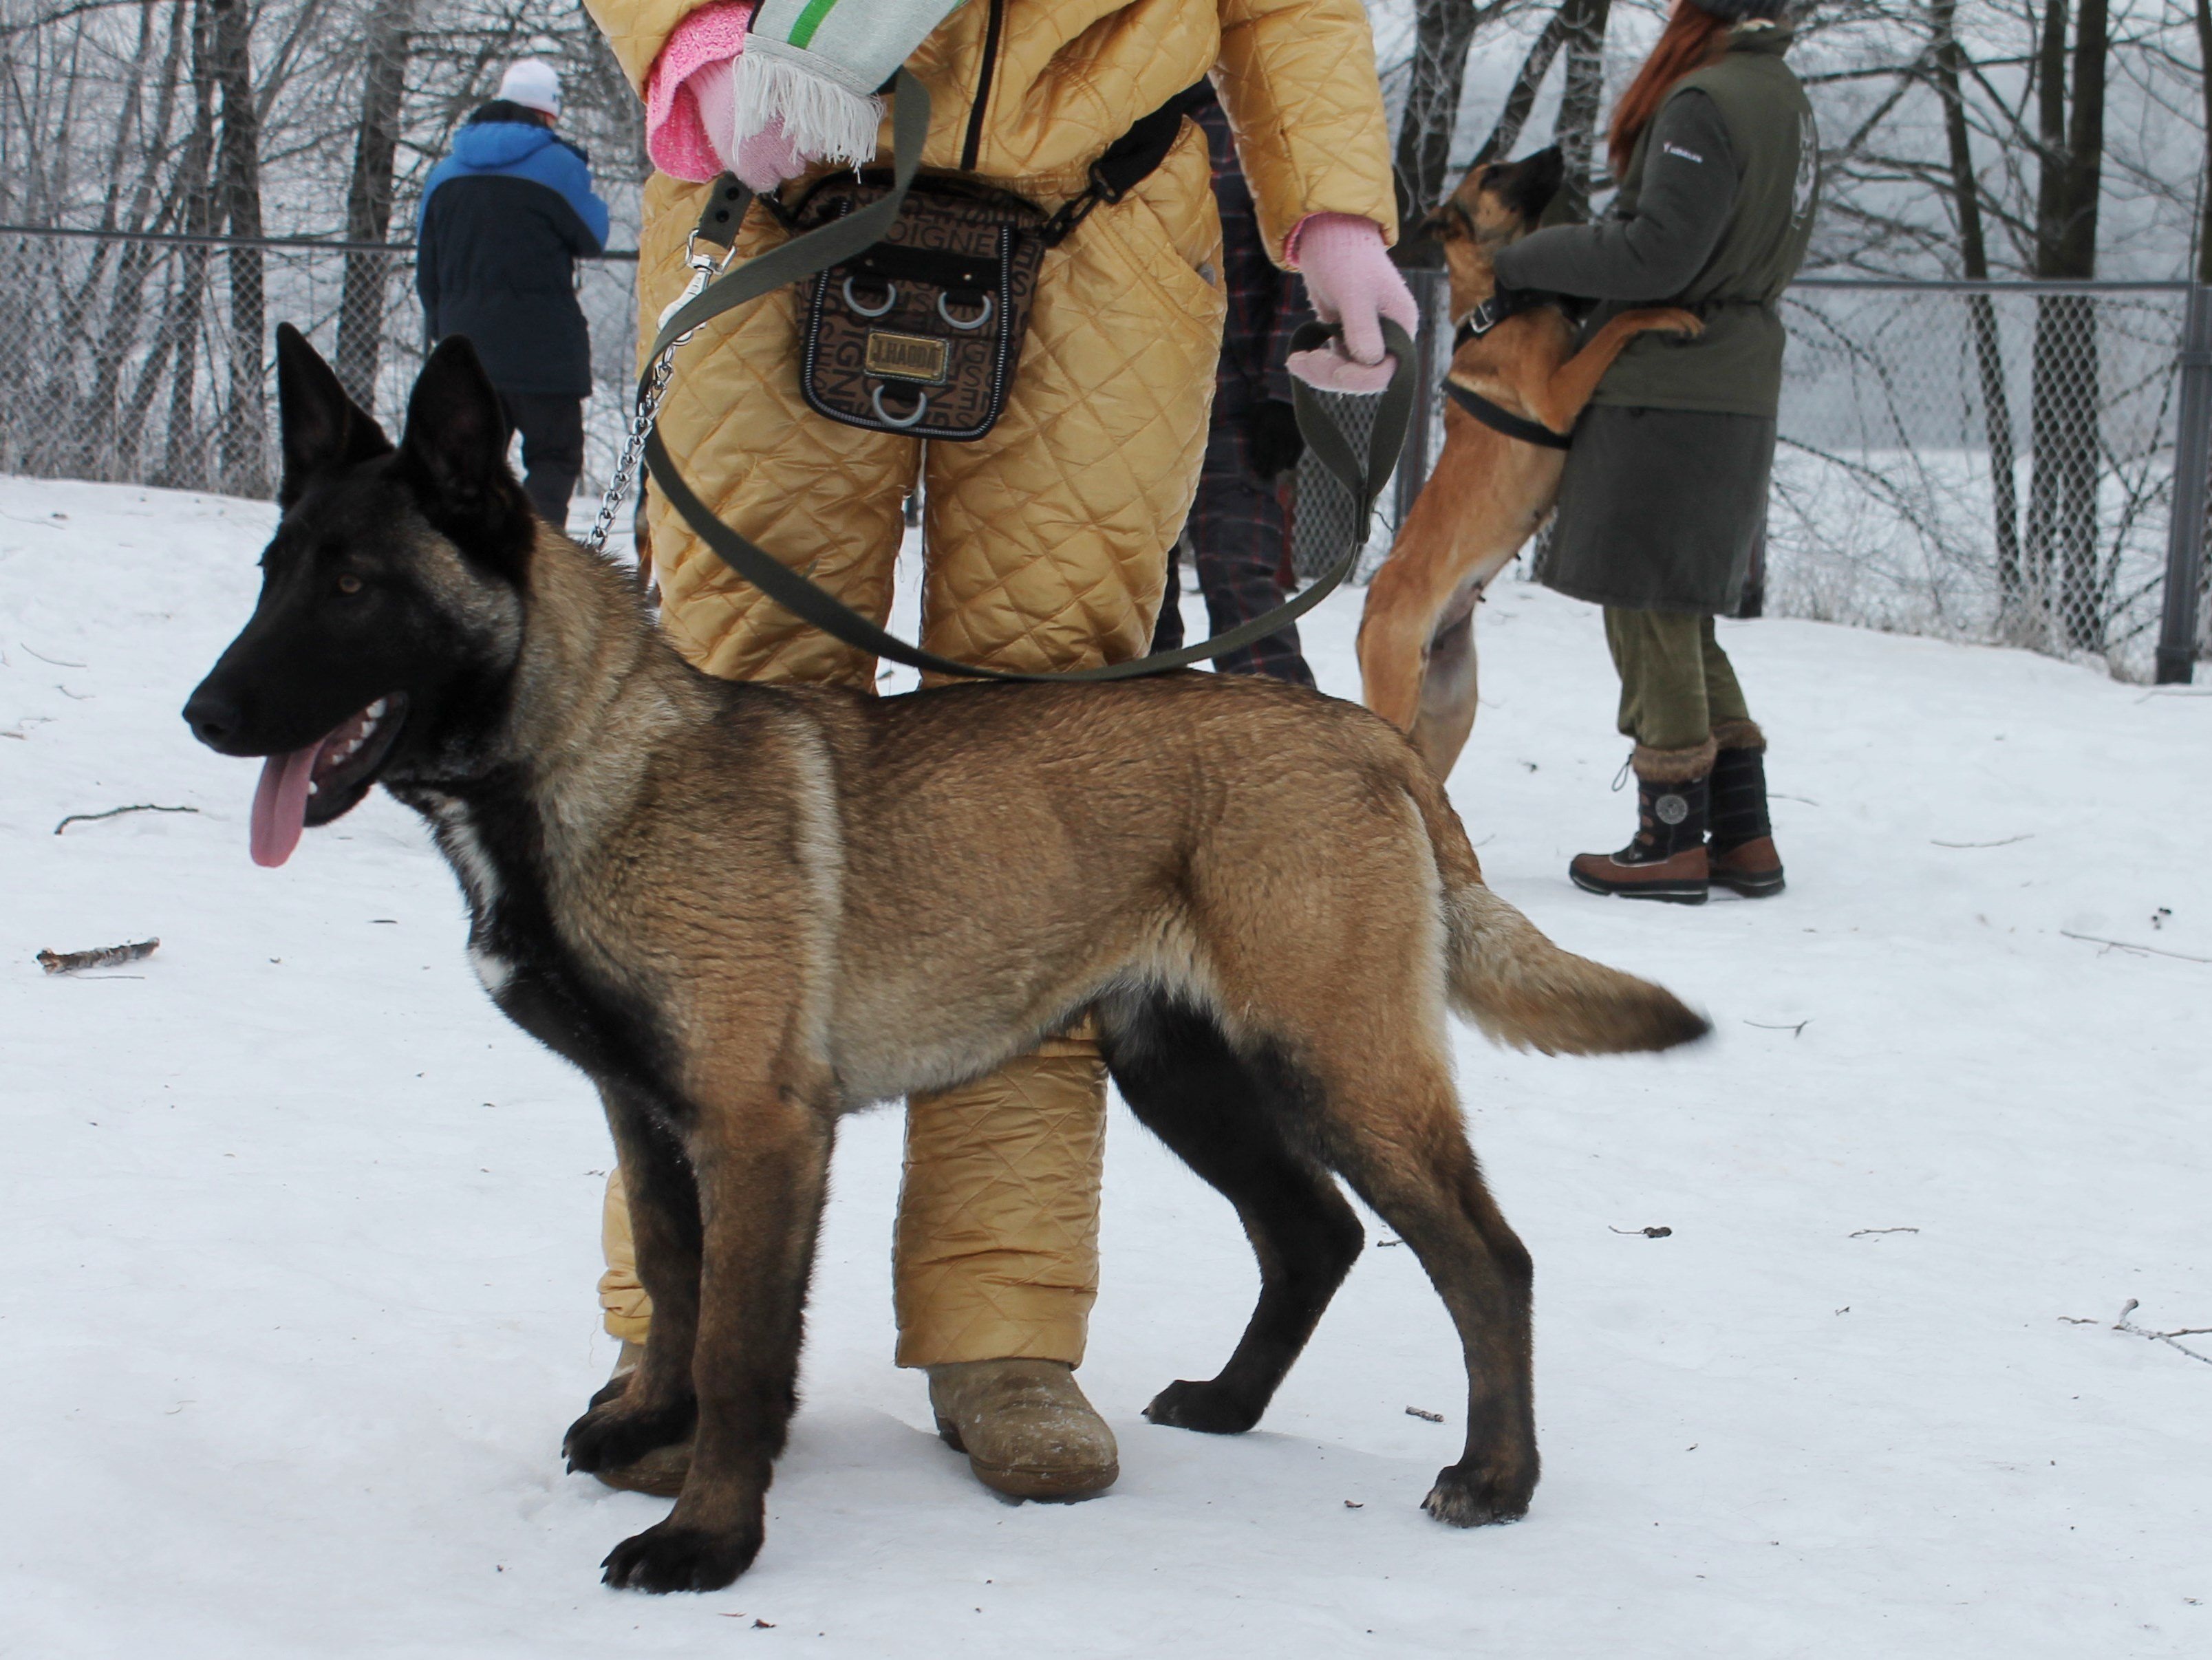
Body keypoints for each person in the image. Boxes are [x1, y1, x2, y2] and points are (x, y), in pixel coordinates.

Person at [579, 0, 1415, 1501]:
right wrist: (689, 41)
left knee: (1049, 808)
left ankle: (1004, 1324)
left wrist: (1333, 200)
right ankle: (681, 1336)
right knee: (712, 777)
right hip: (777, 171)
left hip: (1105, 212)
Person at [1492, 0, 1817, 904]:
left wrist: (1524, 261)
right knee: (1680, 607)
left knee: (1647, 607)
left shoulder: (1704, 100)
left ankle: (1669, 837)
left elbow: (1655, 255)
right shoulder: (1780, 95)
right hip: (1735, 379)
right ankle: (1742, 836)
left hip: (1667, 385)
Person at [1148, 83, 1316, 688]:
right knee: (1134, 614)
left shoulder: (1253, 128)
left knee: (1244, 593)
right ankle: (1145, 766)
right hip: (1129, 411)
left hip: (1233, 407)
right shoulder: (1114, 117)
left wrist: (1282, 393)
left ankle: (1302, 768)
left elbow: (1296, 269)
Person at [416, 59, 611, 528]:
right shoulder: (558, 165)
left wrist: (443, 338)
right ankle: (536, 565)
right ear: (548, 114)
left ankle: (470, 569)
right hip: (544, 352)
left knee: (470, 470)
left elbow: (428, 275)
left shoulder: (443, 173)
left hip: (466, 351)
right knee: (554, 458)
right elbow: (594, 236)